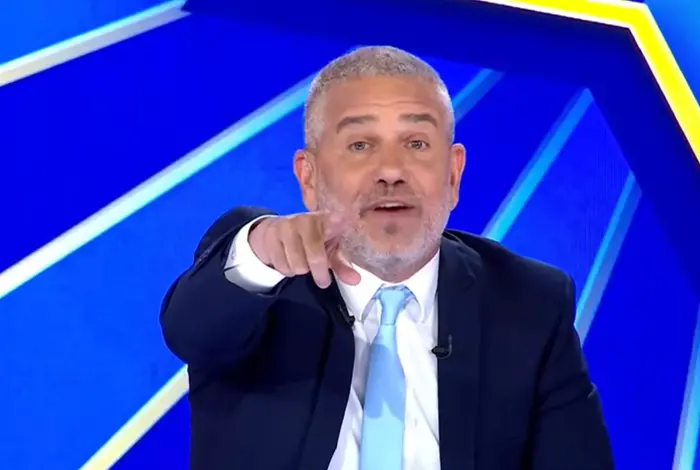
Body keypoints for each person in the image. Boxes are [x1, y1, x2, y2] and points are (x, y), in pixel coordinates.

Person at [160, 46, 614, 470]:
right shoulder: (257, 276)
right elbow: (192, 329)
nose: (391, 171)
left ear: (453, 175)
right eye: (360, 145)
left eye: (416, 144)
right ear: (309, 177)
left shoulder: (530, 302)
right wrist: (260, 254)